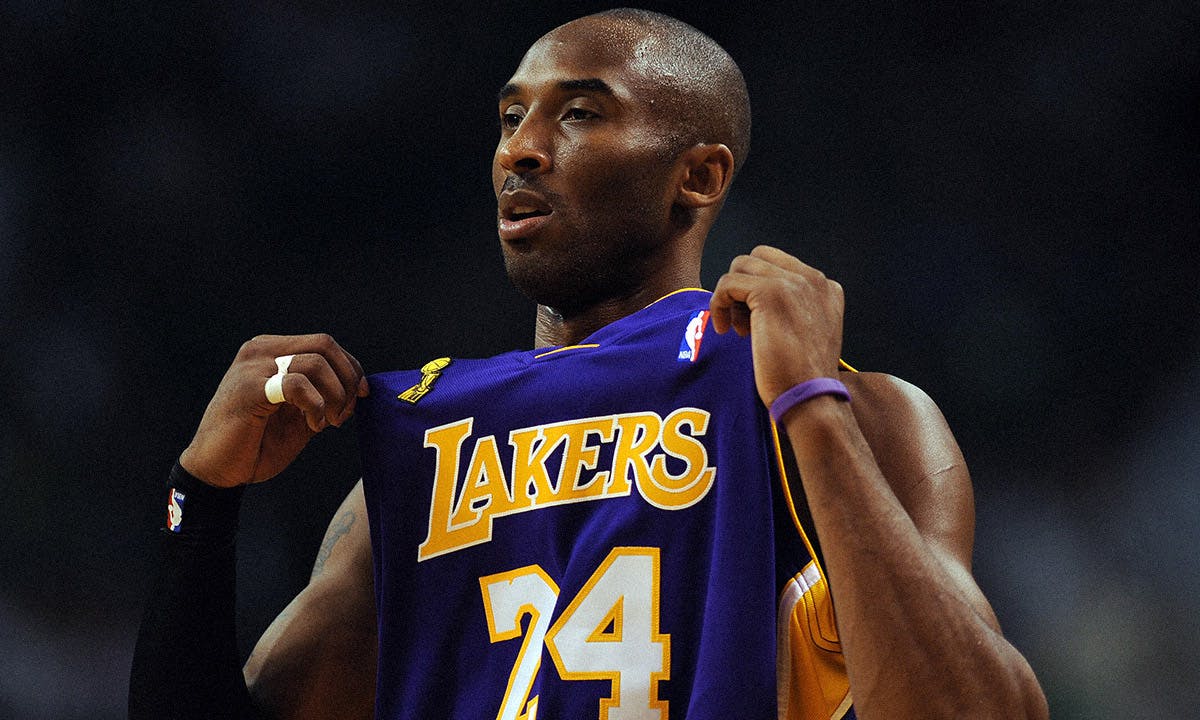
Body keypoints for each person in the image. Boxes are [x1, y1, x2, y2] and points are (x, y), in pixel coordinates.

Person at [130, 8, 1048, 720]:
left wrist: (811, 404)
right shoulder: (423, 459)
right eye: (509, 118)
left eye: (577, 114)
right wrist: (202, 497)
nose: (519, 150)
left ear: (699, 176)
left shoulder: (842, 406)